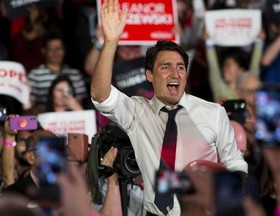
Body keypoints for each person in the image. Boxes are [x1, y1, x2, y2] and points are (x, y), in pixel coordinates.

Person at [90, 0, 247, 215]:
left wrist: (228, 198)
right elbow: (100, 95)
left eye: (180, 67)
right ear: (149, 75)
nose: (175, 74)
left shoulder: (213, 112)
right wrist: (110, 42)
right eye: (166, 67)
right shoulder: (136, 112)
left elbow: (233, 161)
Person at [28, 31, 87, 114]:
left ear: (64, 50)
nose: (55, 53)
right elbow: (29, 107)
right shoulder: (34, 75)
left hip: (71, 121)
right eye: (51, 49)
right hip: (44, 121)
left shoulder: (75, 75)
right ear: (43, 51)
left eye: (59, 48)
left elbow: (78, 104)